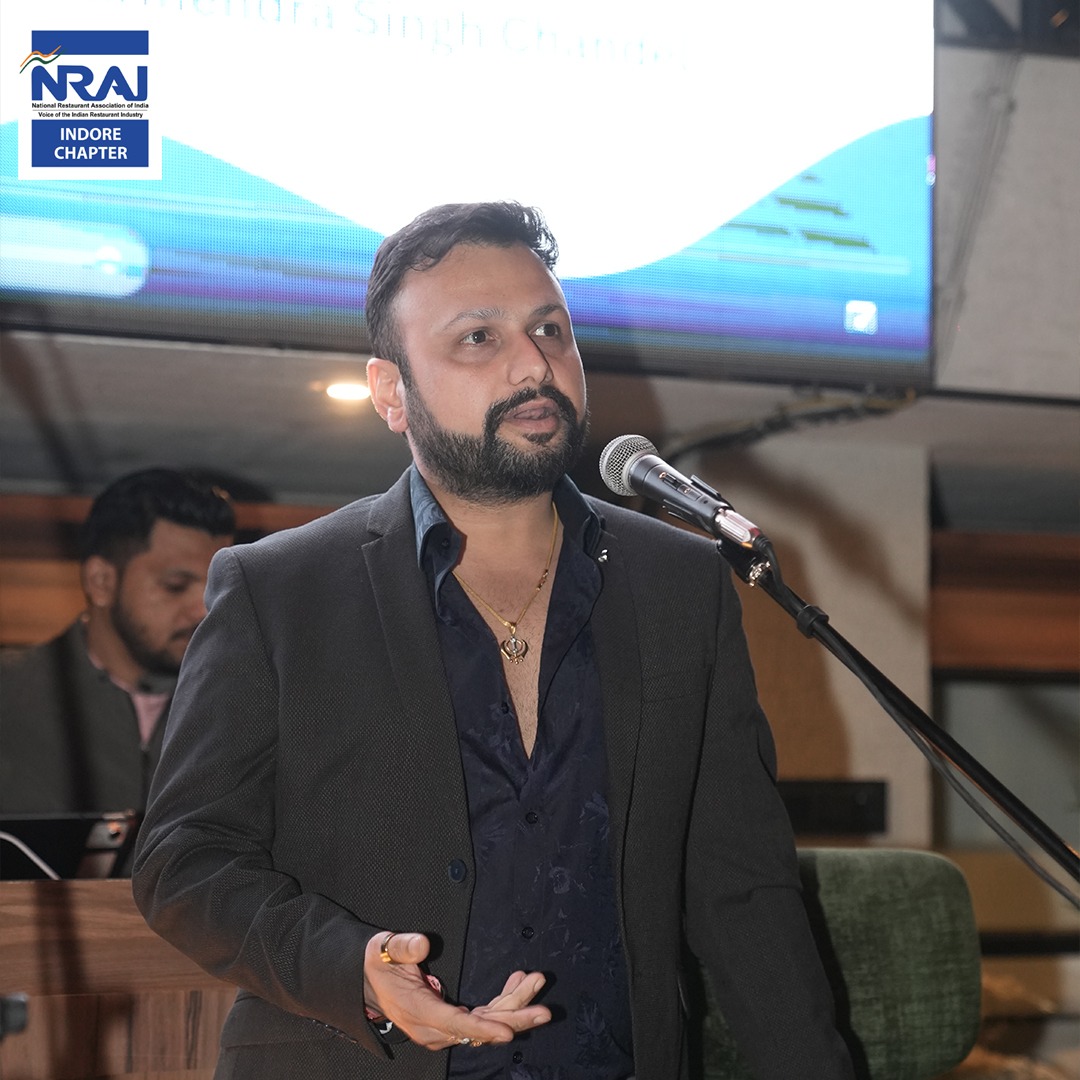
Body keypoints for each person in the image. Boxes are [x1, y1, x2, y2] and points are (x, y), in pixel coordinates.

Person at [132, 203, 855, 1080]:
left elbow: (744, 889)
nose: (534, 364)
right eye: (478, 337)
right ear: (391, 392)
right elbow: (183, 859)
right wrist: (352, 967)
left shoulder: (681, 585)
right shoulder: (279, 591)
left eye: (551, 329)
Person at [0, 468, 235, 820]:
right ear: (101, 582)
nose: (203, 609)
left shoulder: (243, 707)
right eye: (175, 585)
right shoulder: (10, 697)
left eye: (217, 588)